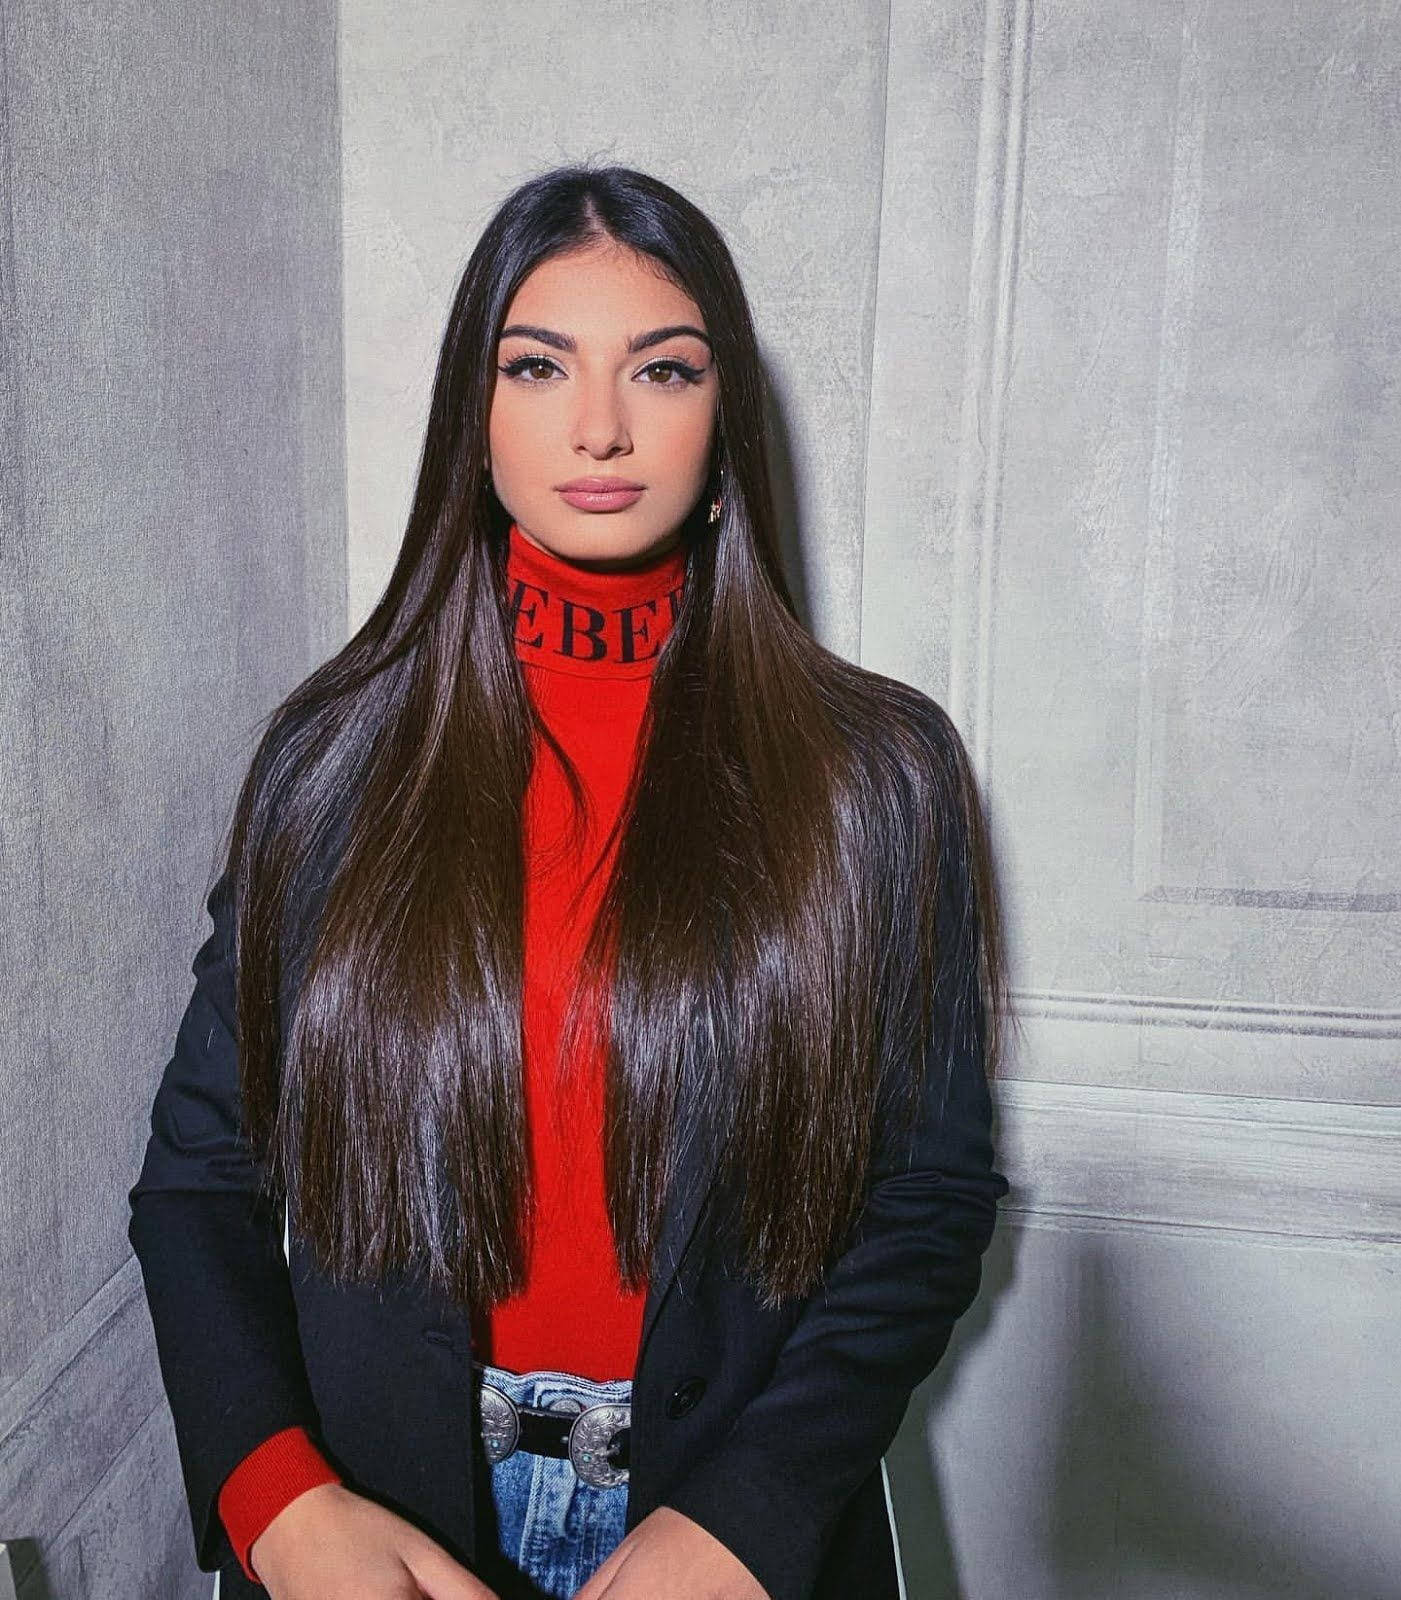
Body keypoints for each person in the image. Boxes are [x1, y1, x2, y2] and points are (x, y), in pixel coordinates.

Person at [128, 163, 1011, 1600]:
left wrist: (745, 1520)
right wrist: (281, 1505)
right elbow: (198, 1185)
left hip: (728, 1531)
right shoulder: (331, 760)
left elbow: (926, 1196)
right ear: (470, 422)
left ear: (724, 418)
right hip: (378, 1523)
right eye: (535, 366)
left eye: (660, 369)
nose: (598, 424)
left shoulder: (879, 770)